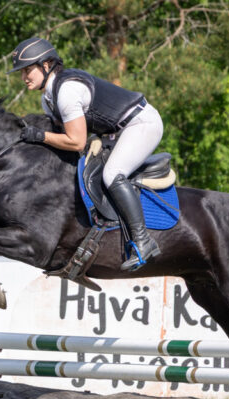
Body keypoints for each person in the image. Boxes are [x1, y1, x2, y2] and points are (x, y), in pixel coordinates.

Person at [9, 37, 163, 271]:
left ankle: (143, 240)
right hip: (115, 132)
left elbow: (76, 141)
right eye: (22, 72)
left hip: (141, 123)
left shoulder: (67, 91)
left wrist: (40, 136)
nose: (23, 77)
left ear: (46, 65)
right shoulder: (47, 99)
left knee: (112, 174)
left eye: (27, 70)